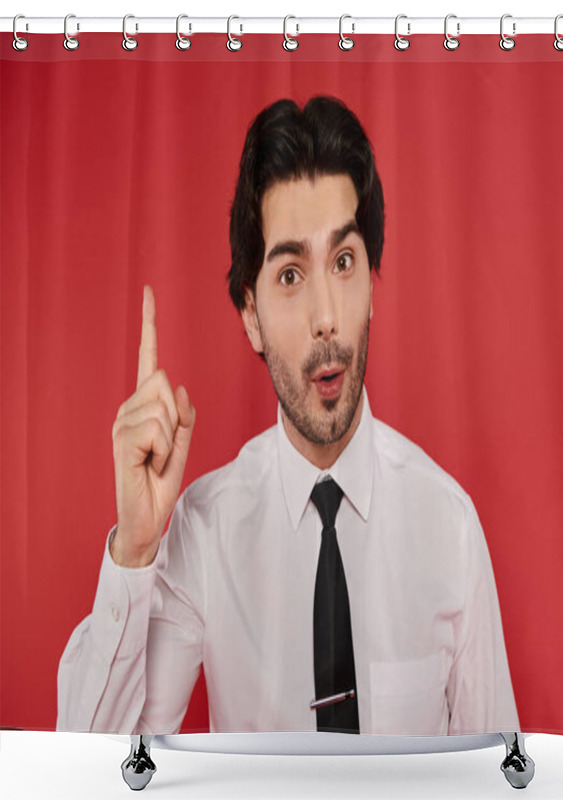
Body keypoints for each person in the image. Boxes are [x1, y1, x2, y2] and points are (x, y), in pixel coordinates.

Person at [56, 96, 519, 736]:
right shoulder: (204, 531)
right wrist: (135, 551)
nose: (325, 315)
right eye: (291, 275)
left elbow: (497, 776)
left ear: (370, 288)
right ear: (251, 315)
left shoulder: (450, 525)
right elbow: (91, 773)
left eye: (344, 262)